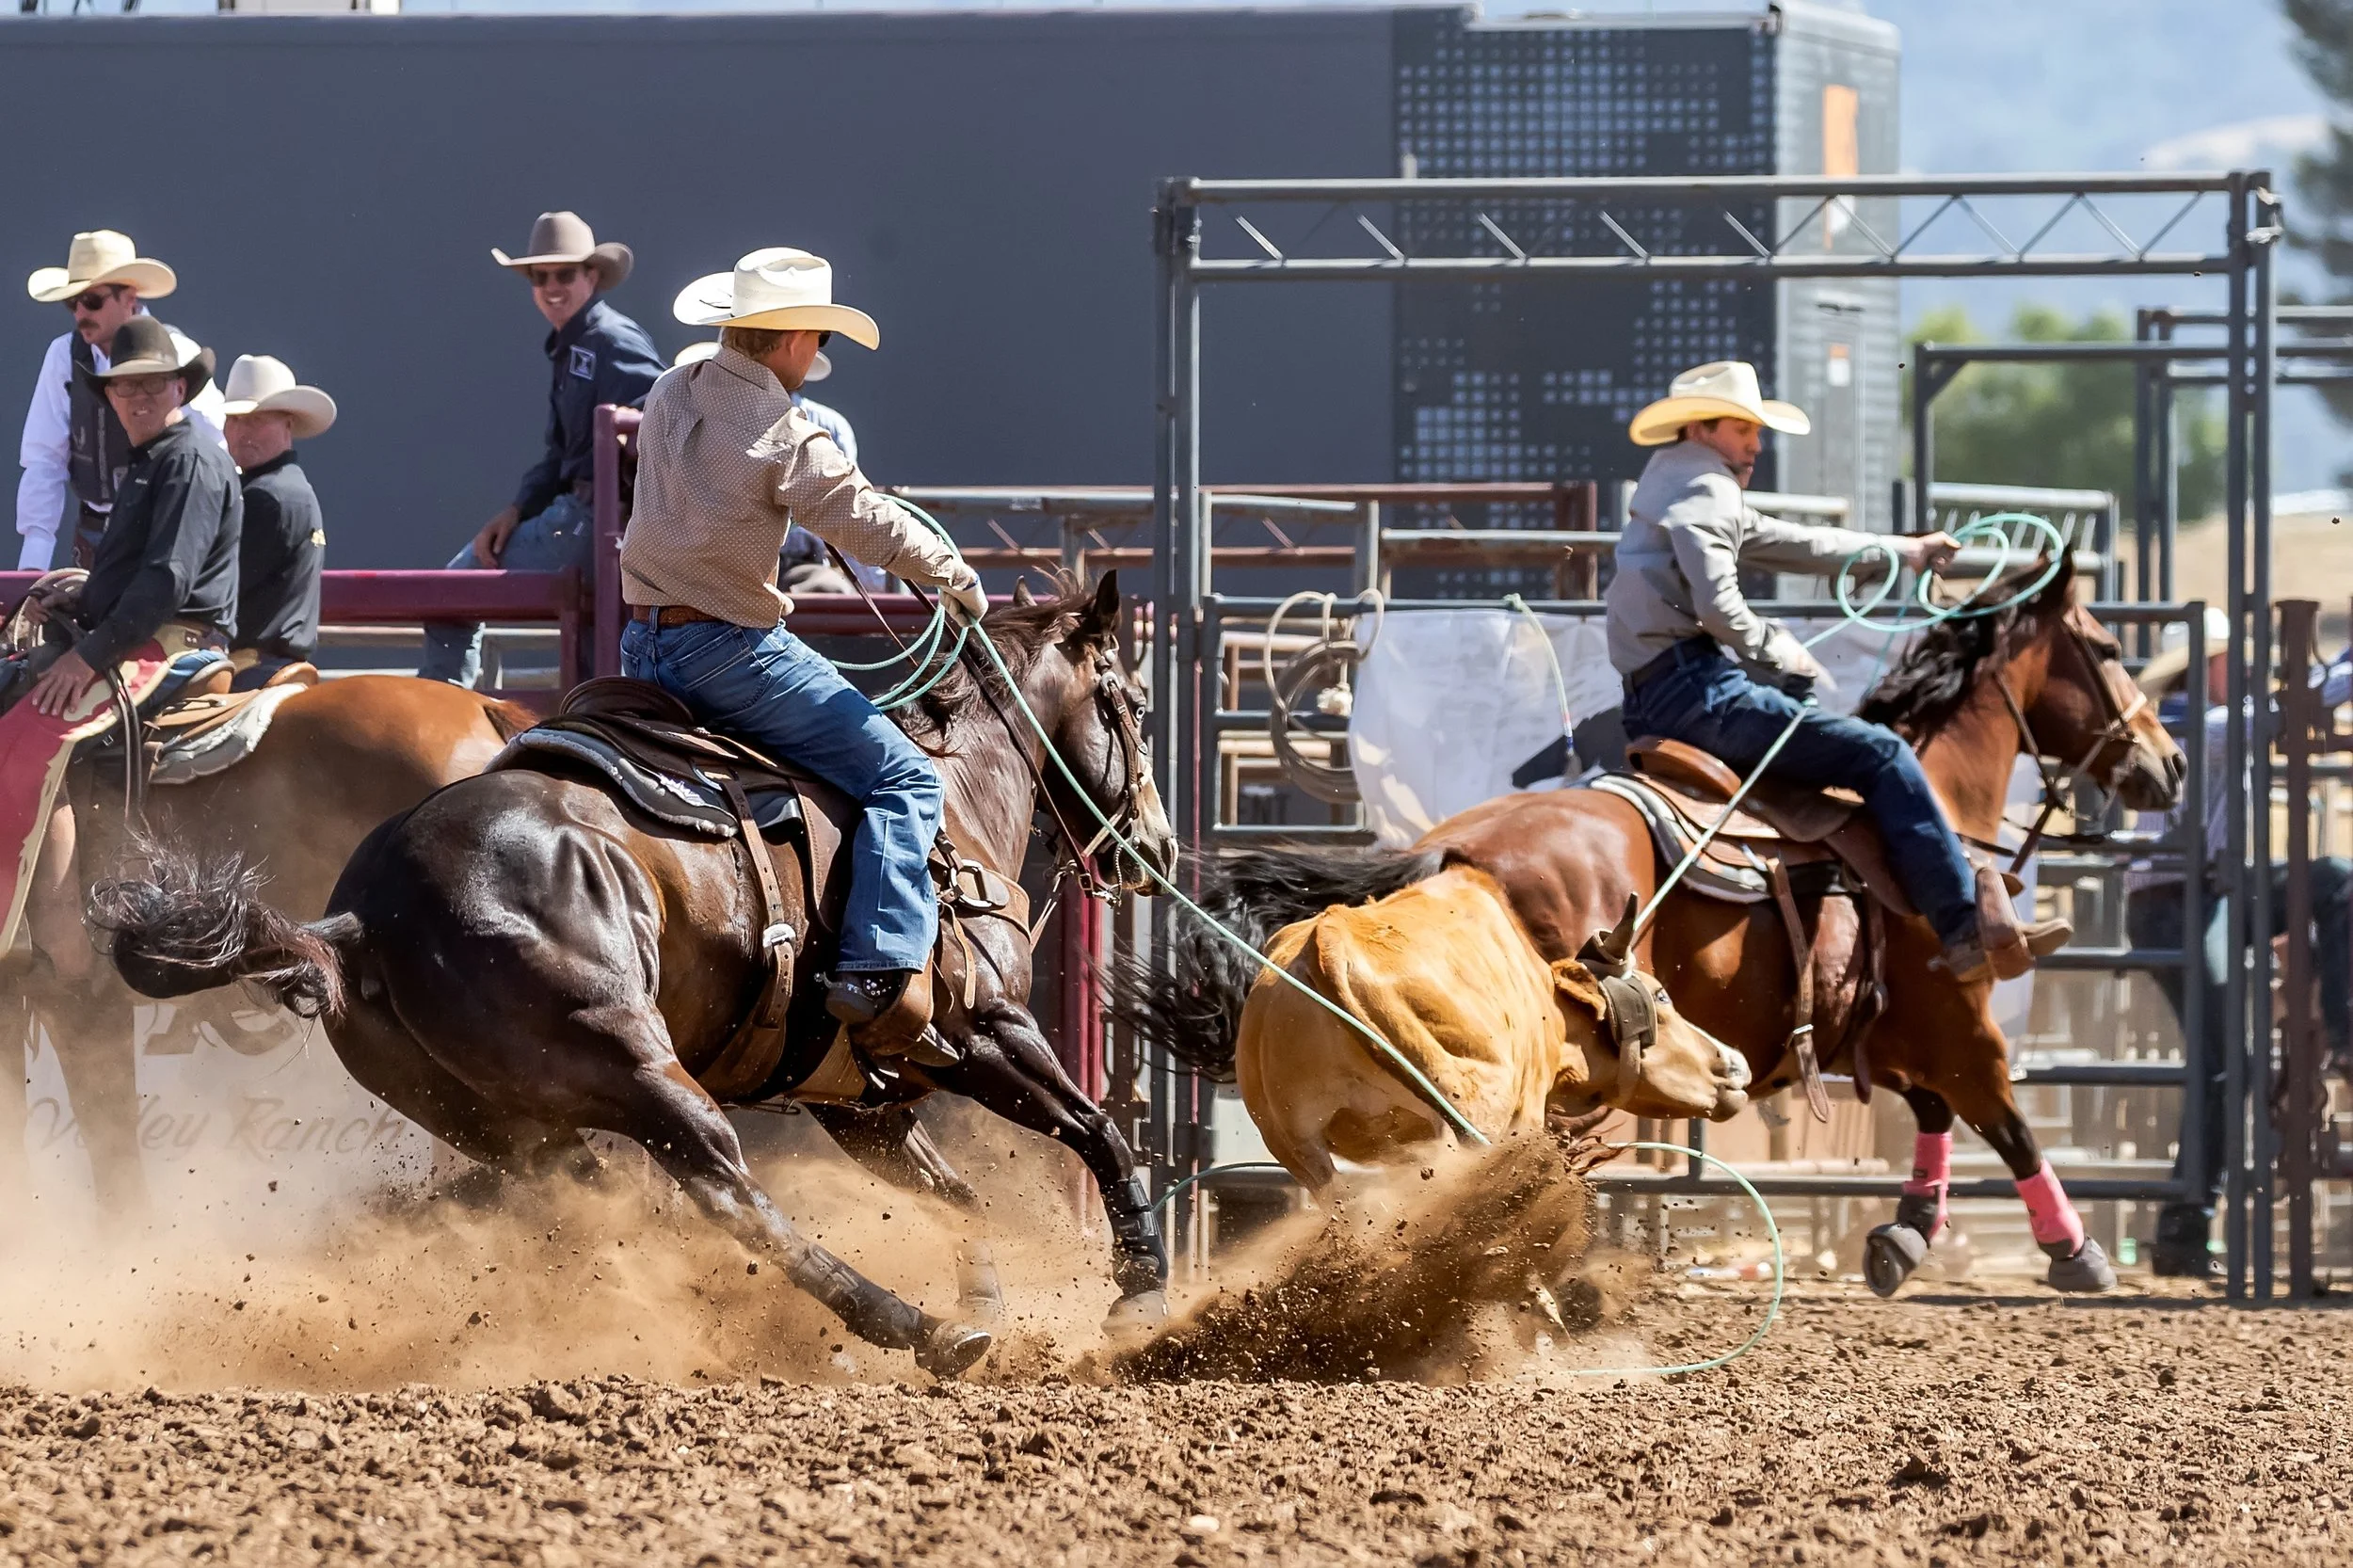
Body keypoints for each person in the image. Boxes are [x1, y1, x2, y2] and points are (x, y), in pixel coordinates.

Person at [619, 248, 986, 1051]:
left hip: (641, 649)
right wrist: (952, 573)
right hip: (730, 652)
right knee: (903, 777)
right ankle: (878, 965)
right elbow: (863, 520)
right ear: (790, 341)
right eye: (818, 337)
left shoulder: (668, 393)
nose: (819, 355)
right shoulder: (787, 434)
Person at [1607, 359, 2070, 984]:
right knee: (1880, 756)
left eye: (1756, 430)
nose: (1756, 444)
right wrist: (1776, 646)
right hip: (1700, 693)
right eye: (1743, 429)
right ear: (1700, 428)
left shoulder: (1673, 484)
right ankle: (1962, 927)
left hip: (1662, 694)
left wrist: (1901, 552)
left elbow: (1791, 540)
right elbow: (1718, 604)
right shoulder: (1706, 490)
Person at [0, 316, 240, 978]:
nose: (138, 397)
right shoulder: (157, 461)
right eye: (125, 386)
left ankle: (63, 950)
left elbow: (168, 581)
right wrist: (83, 595)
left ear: (179, 390)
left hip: (164, 643)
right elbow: (143, 573)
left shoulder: (186, 459)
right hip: (137, 633)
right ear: (108, 396)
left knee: (33, 737)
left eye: (152, 385)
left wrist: (86, 655)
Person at [2126, 608, 2353, 1277]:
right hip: (2182, 903)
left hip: (2210, 895)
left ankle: (2185, 1227)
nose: (2246, 671)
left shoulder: (2202, 715)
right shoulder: (2192, 721)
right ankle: (2184, 1228)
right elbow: (2286, 714)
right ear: (2207, 666)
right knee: (2226, 1065)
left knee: (2334, 881)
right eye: (2234, 660)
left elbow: (2291, 705)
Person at [421, 212, 663, 686]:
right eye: (540, 275)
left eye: (565, 274)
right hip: (592, 522)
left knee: (449, 592)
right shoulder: (576, 345)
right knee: (595, 654)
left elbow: (661, 419)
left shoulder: (611, 340)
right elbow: (560, 456)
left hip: (598, 521)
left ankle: (443, 704)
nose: (552, 286)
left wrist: (627, 501)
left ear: (591, 276)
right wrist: (516, 510)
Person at [17, 229, 227, 572]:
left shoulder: (178, 356)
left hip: (160, 537)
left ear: (129, 298)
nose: (80, 314)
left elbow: (217, 456)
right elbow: (44, 459)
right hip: (93, 535)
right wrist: (33, 562)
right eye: (72, 303)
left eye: (93, 301)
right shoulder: (63, 356)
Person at [677, 339, 884, 593]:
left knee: (827, 589)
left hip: (797, 567)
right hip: (723, 566)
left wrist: (878, 590)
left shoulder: (829, 425)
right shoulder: (709, 422)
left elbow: (846, 507)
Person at [217, 354, 336, 685]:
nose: (241, 432)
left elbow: (218, 590)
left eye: (257, 420)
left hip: (251, 668)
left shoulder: (265, 496)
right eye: (235, 420)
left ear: (288, 424)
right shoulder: (291, 487)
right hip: (275, 663)